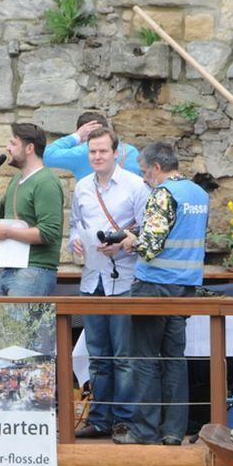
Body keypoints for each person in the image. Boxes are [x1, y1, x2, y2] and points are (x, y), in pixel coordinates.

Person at [116, 142, 209, 445]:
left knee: (144, 360)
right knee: (174, 359)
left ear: (157, 168)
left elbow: (151, 246)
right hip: (185, 286)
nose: (144, 179)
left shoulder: (163, 194)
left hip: (153, 284)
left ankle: (144, 431)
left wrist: (130, 241)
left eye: (144, 172)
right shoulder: (198, 194)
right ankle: (173, 431)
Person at [68, 127, 150, 439]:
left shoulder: (135, 186)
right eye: (93, 152)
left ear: (116, 153)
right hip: (92, 278)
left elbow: (148, 232)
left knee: (124, 356)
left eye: (103, 151)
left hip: (125, 278)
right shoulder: (82, 187)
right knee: (98, 355)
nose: (98, 157)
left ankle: (125, 420)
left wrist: (123, 244)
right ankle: (100, 418)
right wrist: (76, 242)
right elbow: (75, 226)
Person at [0, 123, 64, 296]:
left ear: (29, 148)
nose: (7, 148)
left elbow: (48, 233)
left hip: (33, 271)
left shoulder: (46, 182)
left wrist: (8, 232)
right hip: (9, 267)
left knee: (20, 324)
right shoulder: (17, 179)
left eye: (13, 143)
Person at [44, 111, 141, 180]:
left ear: (85, 133)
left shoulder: (83, 152)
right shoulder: (132, 151)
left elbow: (45, 156)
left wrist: (76, 136)